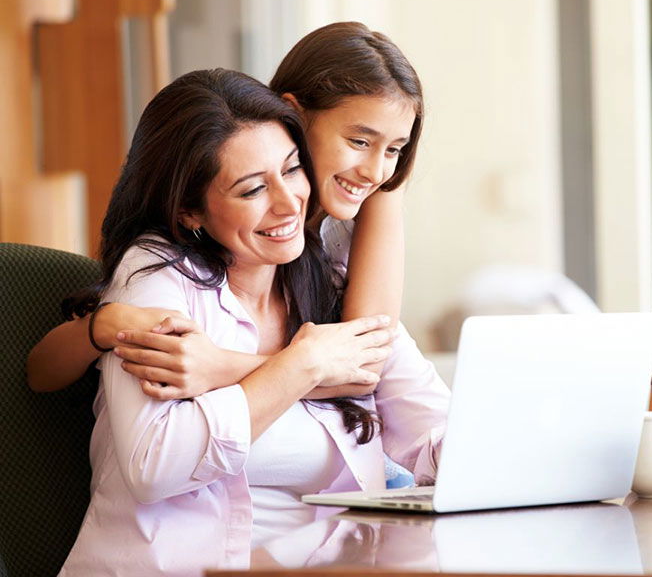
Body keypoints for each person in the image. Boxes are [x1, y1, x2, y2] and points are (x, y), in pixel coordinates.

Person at [59, 69, 448, 576]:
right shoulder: (157, 277)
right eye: (251, 190)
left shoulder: (324, 281)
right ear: (190, 213)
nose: (288, 204)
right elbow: (153, 466)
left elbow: (432, 436)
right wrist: (299, 367)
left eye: (291, 170)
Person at [27, 22, 420, 403]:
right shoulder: (197, 231)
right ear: (295, 115)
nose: (375, 170)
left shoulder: (365, 202)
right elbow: (41, 373)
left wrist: (220, 367)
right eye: (358, 140)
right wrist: (101, 326)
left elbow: (363, 368)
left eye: (394, 149)